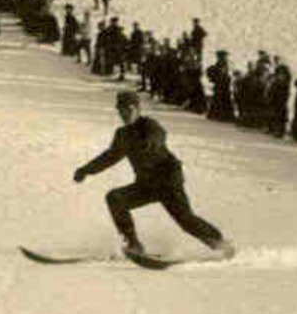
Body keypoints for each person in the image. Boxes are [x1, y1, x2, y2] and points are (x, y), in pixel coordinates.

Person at [74, 90, 233, 259]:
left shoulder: (149, 125)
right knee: (115, 198)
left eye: (129, 109)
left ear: (137, 109)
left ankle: (221, 244)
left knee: (186, 220)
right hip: (147, 185)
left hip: (167, 182)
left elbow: (159, 136)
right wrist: (85, 170)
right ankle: (133, 245)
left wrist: (150, 143)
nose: (124, 113)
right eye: (121, 110)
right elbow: (110, 157)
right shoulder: (122, 134)